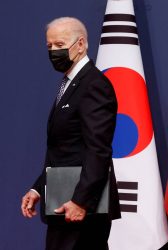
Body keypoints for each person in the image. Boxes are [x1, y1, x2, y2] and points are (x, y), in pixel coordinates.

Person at [20, 17, 120, 250]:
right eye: (49, 46)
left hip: (81, 209)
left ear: (81, 44)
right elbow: (65, 149)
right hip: (63, 201)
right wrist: (38, 187)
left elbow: (98, 149)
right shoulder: (70, 84)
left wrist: (80, 201)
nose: (54, 51)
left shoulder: (93, 84)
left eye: (60, 44)